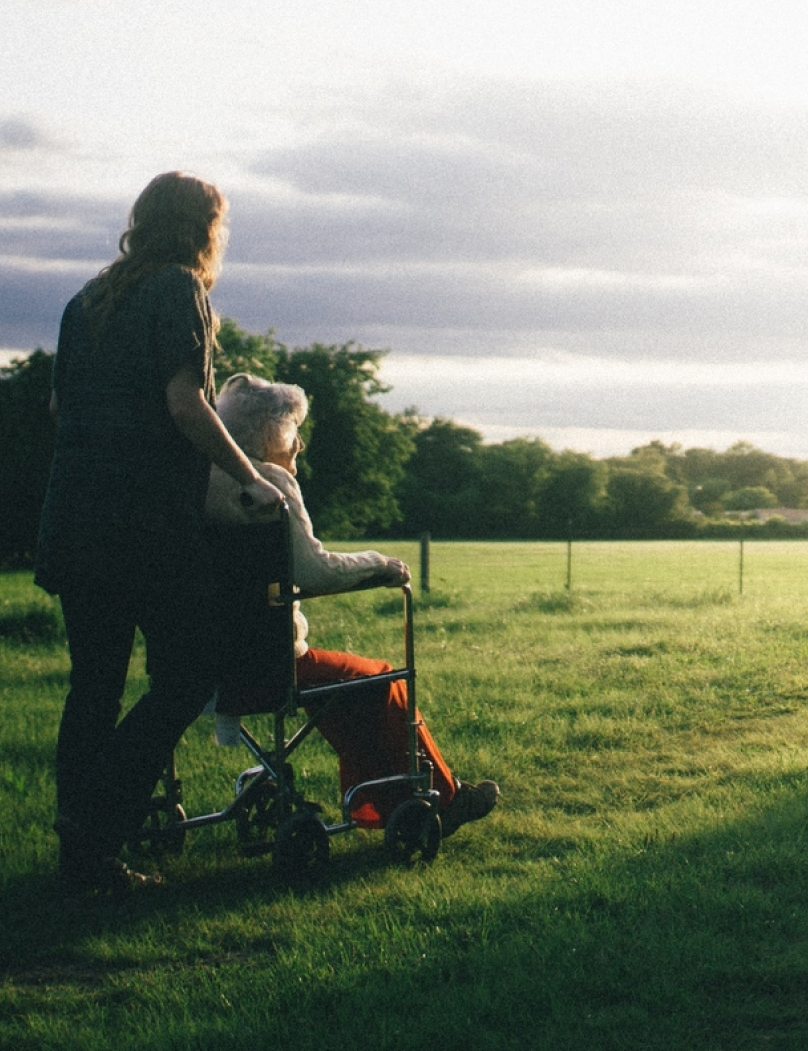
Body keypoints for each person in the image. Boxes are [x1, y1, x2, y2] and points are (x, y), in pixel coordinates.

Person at [35, 174, 282, 895]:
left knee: (95, 684)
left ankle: (81, 856)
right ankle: (97, 821)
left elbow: (60, 405)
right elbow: (186, 403)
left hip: (73, 515)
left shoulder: (85, 300)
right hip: (140, 524)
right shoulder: (179, 289)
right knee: (187, 674)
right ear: (203, 228)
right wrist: (248, 477)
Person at [205, 373, 499, 835]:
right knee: (381, 679)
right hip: (268, 664)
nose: (299, 443)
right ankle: (443, 797)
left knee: (347, 686)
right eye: (292, 429)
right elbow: (314, 572)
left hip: (207, 665)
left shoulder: (204, 480)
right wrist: (378, 564)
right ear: (267, 433)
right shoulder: (269, 483)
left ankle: (380, 805)